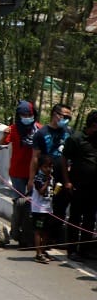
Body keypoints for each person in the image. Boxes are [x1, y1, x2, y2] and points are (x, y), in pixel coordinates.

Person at [28, 103, 72, 249]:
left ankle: (52, 239)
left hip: (63, 178)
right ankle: (41, 244)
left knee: (60, 209)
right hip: (46, 179)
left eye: (69, 118)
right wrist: (31, 179)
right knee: (45, 212)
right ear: (55, 114)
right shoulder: (41, 134)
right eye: (64, 116)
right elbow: (35, 157)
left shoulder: (68, 132)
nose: (66, 120)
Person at [62, 110, 97, 260]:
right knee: (75, 217)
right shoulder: (75, 139)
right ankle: (72, 250)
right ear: (94, 125)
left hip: (94, 187)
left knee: (90, 219)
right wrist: (67, 181)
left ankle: (85, 249)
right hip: (77, 185)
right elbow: (64, 160)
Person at [1, 100, 39, 197]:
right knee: (18, 201)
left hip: (34, 172)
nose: (27, 118)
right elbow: (0, 146)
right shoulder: (13, 129)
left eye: (29, 115)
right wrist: (4, 136)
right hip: (17, 171)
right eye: (24, 116)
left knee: (33, 202)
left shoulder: (39, 130)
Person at [31, 157, 56, 263]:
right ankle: (38, 253)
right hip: (39, 209)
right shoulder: (38, 178)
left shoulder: (51, 177)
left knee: (46, 231)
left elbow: (50, 193)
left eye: (50, 167)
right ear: (41, 167)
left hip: (48, 208)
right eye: (45, 167)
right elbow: (41, 191)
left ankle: (43, 250)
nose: (48, 169)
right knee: (38, 231)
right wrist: (47, 182)